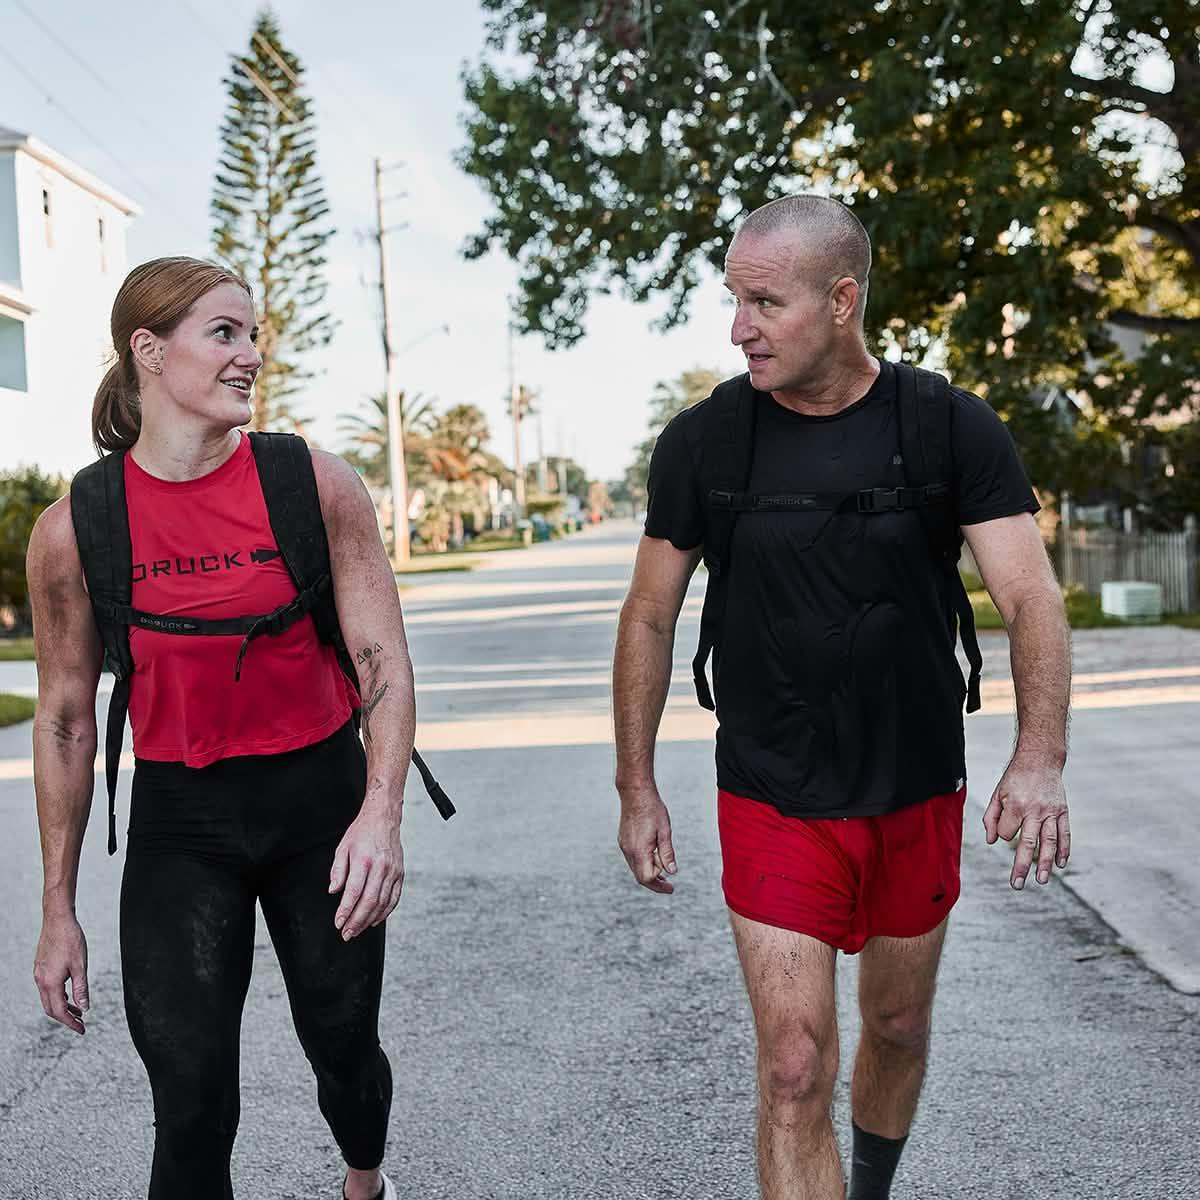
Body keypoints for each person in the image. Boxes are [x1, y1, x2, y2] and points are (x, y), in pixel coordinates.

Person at [612, 196, 1071, 1200]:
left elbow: (1031, 595)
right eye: (733, 300)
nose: (739, 327)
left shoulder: (948, 426)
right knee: (793, 1065)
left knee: (898, 1029)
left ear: (841, 300)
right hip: (772, 788)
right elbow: (649, 614)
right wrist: (635, 784)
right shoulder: (706, 443)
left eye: (764, 302)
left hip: (913, 783)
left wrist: (1039, 760)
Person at [28, 257, 411, 1200]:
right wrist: (56, 907)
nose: (251, 355)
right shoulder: (76, 526)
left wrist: (381, 813)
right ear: (148, 352)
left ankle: (366, 1183)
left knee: (345, 1058)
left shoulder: (313, 485)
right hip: (180, 823)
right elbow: (68, 721)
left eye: (253, 333)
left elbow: (382, 663)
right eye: (225, 334)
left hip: (317, 808)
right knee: (191, 1101)